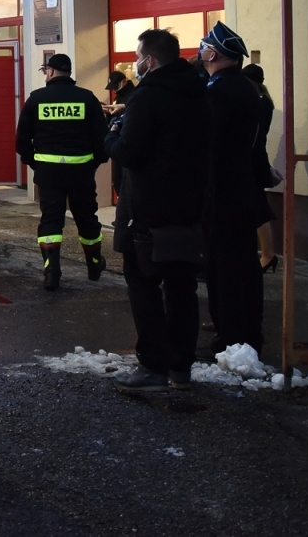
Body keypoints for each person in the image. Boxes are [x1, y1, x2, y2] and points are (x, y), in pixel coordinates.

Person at [104, 29, 211, 391]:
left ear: (149, 60)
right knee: (182, 288)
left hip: (147, 210)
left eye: (137, 56)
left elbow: (130, 152)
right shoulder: (199, 93)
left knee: (144, 284)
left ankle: (153, 366)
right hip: (188, 207)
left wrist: (112, 133)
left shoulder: (147, 97)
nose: (135, 63)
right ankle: (181, 368)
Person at [198, 22, 266, 357]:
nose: (201, 51)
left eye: (204, 46)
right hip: (239, 189)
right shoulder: (242, 88)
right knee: (241, 265)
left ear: (214, 53)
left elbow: (209, 145)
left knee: (225, 267)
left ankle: (232, 336)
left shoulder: (220, 92)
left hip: (222, 193)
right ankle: (244, 330)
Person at [16, 53, 109, 290]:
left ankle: (51, 271)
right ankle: (94, 263)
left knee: (51, 220)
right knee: (87, 217)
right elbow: (103, 138)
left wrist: (36, 162)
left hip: (48, 173)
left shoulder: (36, 99)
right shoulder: (87, 99)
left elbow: (22, 140)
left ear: (50, 71)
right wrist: (93, 163)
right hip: (81, 172)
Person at [244, 64, 280, 272]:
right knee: (257, 207)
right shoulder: (263, 101)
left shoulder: (260, 103)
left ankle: (267, 254)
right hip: (256, 159)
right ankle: (267, 254)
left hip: (253, 161)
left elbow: (256, 139)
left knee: (258, 209)